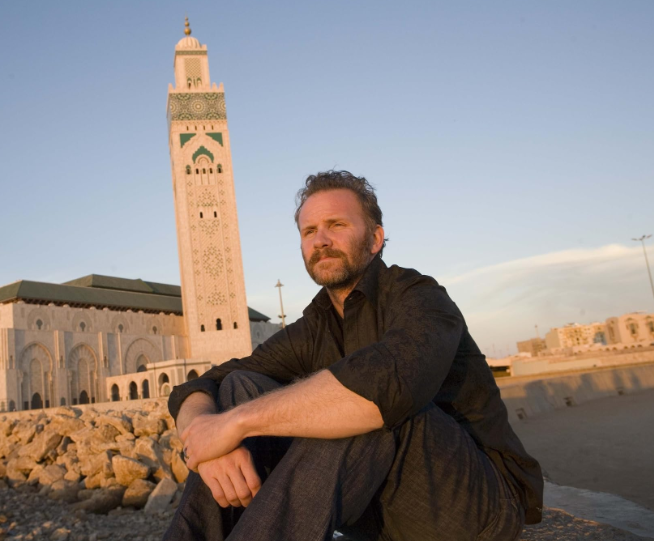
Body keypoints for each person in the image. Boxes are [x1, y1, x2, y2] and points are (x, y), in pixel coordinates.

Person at [163, 171, 543, 541]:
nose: (321, 240)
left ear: (376, 238)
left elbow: (384, 386)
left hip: (475, 503)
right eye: (309, 231)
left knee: (357, 406)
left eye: (336, 225)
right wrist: (206, 441)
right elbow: (202, 384)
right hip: (376, 512)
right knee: (239, 385)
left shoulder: (418, 296)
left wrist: (237, 424)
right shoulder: (315, 325)